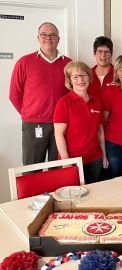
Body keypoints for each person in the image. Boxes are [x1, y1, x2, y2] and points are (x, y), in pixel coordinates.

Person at [9, 22, 72, 165]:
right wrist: (30, 113)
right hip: (33, 125)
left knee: (58, 169)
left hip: (62, 125)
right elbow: (14, 94)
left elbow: (73, 95)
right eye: (43, 34)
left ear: (58, 39)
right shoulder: (24, 62)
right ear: (38, 38)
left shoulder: (69, 64)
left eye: (52, 35)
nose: (48, 38)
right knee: (32, 169)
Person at [53, 61, 108, 184]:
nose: (80, 79)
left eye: (83, 75)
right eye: (75, 77)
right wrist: (66, 162)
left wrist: (103, 155)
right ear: (69, 80)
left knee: (94, 196)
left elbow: (100, 131)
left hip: (95, 159)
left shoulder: (96, 102)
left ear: (89, 77)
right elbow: (59, 135)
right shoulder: (64, 103)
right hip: (73, 161)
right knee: (74, 200)